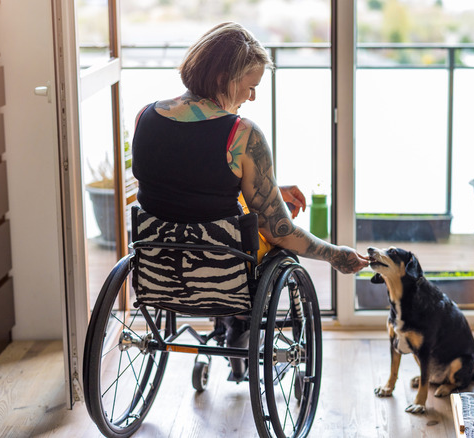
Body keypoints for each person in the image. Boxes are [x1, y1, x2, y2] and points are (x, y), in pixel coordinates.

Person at [131, 21, 368, 275]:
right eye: (251, 87)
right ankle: (238, 317)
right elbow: (281, 232)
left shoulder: (145, 115)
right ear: (224, 80)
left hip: (157, 270)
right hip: (221, 275)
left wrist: (271, 191)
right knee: (274, 250)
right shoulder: (242, 135)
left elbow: (186, 187)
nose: (252, 97)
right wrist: (335, 254)